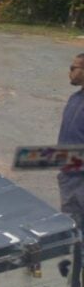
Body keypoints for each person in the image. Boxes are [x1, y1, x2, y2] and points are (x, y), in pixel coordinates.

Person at [57, 53, 84, 227]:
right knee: (72, 225)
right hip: (69, 175)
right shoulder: (75, 98)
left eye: (73, 68)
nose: (70, 72)